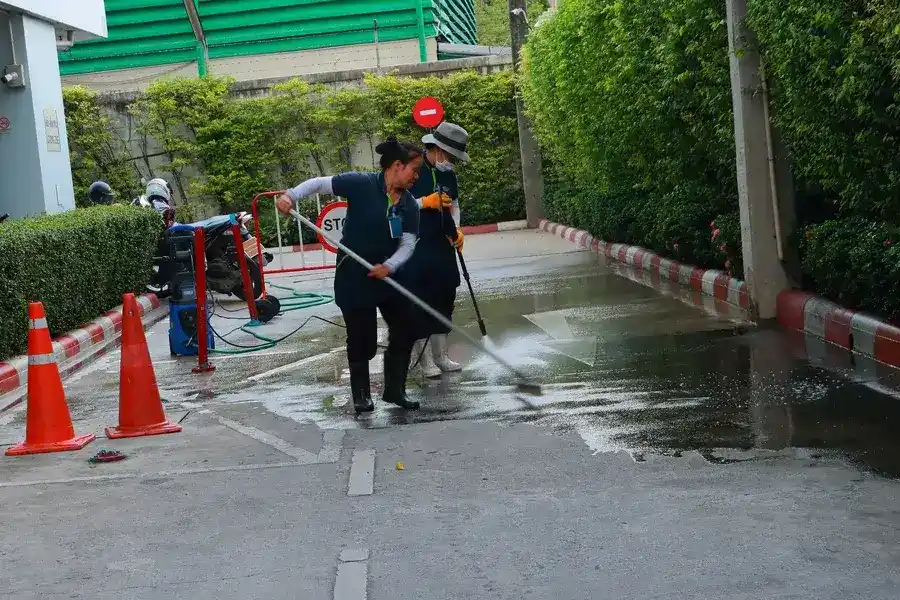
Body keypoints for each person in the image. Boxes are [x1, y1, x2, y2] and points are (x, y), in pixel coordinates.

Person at [275, 139, 437, 414]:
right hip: (354, 273)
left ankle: (394, 390)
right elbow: (318, 184)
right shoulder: (361, 184)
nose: (417, 176)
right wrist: (291, 195)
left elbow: (408, 243)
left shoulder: (409, 204)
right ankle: (361, 395)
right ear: (398, 166)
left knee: (406, 328)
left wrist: (390, 266)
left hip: (389, 276)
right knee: (362, 337)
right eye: (415, 169)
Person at [403, 122, 470, 379]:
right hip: (417, 246)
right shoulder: (414, 169)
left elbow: (454, 205)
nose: (451, 161)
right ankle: (424, 360)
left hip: (443, 245)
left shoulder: (448, 173)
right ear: (438, 149)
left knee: (444, 296)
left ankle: (441, 356)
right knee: (421, 300)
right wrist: (424, 202)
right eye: (450, 155)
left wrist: (458, 230)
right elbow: (398, 203)